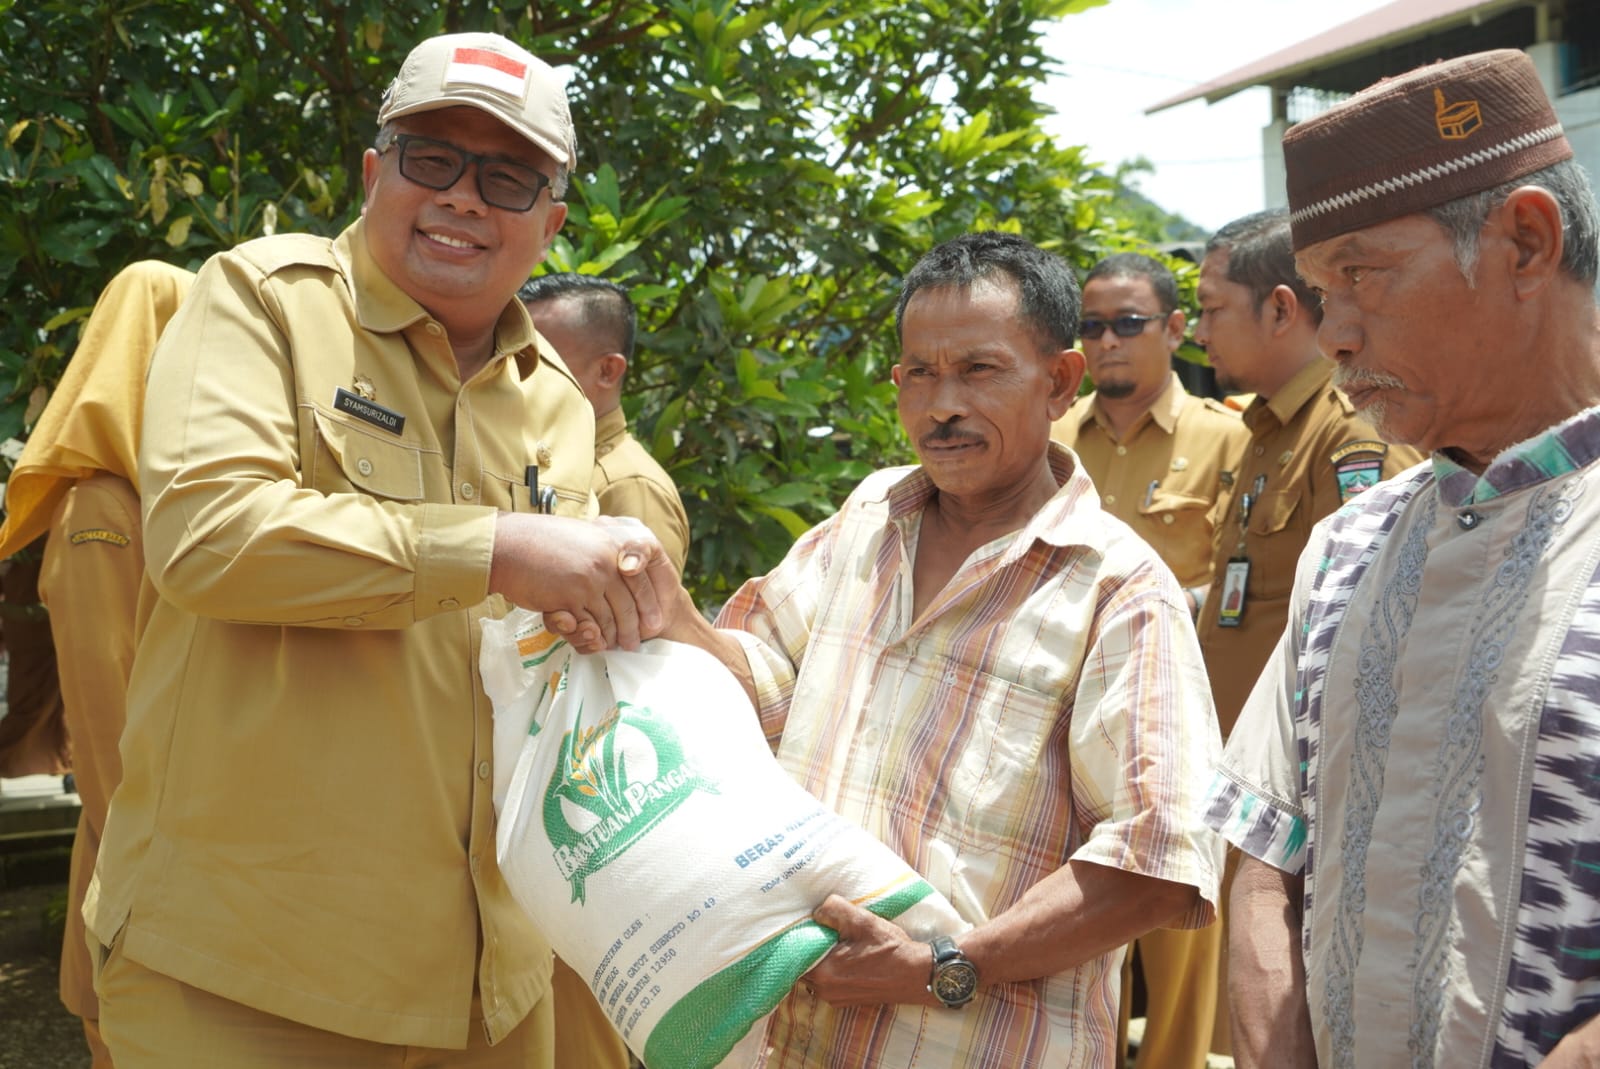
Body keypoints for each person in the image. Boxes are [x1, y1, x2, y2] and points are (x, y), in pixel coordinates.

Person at [83, 32, 675, 1068]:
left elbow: (546, 646)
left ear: (551, 221)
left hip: (495, 978)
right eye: (430, 158)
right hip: (250, 972)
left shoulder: (556, 406)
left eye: (506, 176)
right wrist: (494, 547)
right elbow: (208, 535)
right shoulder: (260, 299)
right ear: (373, 172)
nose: (462, 197)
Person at [660, 231, 1223, 1067]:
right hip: (795, 1039)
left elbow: (1156, 861)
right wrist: (666, 616)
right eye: (919, 373)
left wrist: (940, 968)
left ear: (1060, 381)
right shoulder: (866, 518)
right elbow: (762, 683)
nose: (942, 404)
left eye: (979, 370)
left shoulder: (1117, 588)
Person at [1207, 49, 1600, 1068]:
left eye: (1360, 274)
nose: (1332, 333)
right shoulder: (1350, 544)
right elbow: (1262, 845)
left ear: (1523, 241)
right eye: (1316, 288)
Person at [1050, 252, 1245, 1069]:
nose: (1107, 343)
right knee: (1072, 944)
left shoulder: (1227, 437)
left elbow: (1246, 580)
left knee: (1181, 942)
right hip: (1063, 729)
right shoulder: (1051, 439)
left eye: (1127, 324)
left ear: (1172, 329)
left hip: (1180, 735)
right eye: (1090, 326)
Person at [0, 259, 193, 1068]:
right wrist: (156, 894)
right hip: (148, 875)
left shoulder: (168, 499)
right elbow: (108, 717)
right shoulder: (103, 510)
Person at [1192, 210, 1421, 741]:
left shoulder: (1352, 428)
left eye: (1211, 310)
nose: (1201, 333)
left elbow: (1373, 620)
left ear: (1279, 309)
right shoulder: (1266, 426)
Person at [520, 274, 690, 574]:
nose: (511, 372)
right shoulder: (559, 460)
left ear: (608, 371)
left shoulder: (629, 486)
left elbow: (648, 618)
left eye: (538, 358)